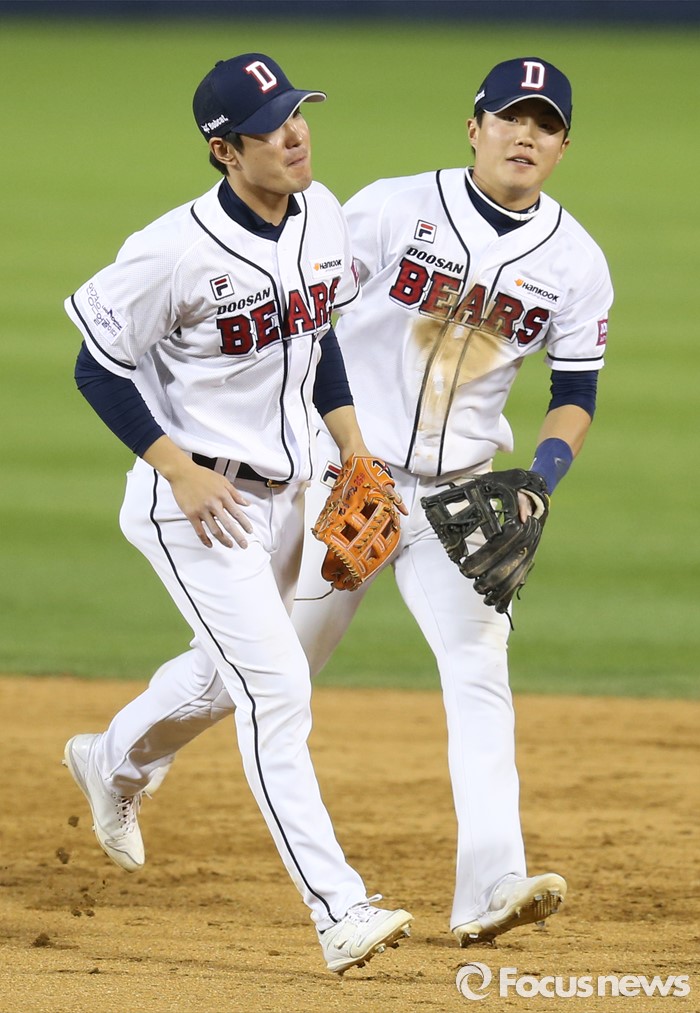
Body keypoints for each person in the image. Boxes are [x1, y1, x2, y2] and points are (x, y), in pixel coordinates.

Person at [67, 56, 613, 949]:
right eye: (510, 118)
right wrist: (224, 450)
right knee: (256, 673)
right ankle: (118, 755)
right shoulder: (386, 210)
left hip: (461, 496)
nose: (526, 136)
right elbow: (299, 319)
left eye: (545, 124)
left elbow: (576, 390)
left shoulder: (577, 260)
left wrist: (540, 478)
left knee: (478, 669)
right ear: (473, 128)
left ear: (562, 144)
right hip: (347, 485)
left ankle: (490, 882)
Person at [61, 52, 413, 975]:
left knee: (226, 678)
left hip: (289, 494)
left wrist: (355, 446)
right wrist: (176, 469)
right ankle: (339, 910)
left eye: (299, 113)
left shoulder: (321, 212)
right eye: (271, 126)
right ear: (225, 150)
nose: (295, 134)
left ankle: (111, 760)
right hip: (198, 507)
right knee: (277, 690)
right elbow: (98, 365)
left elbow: (319, 337)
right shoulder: (172, 251)